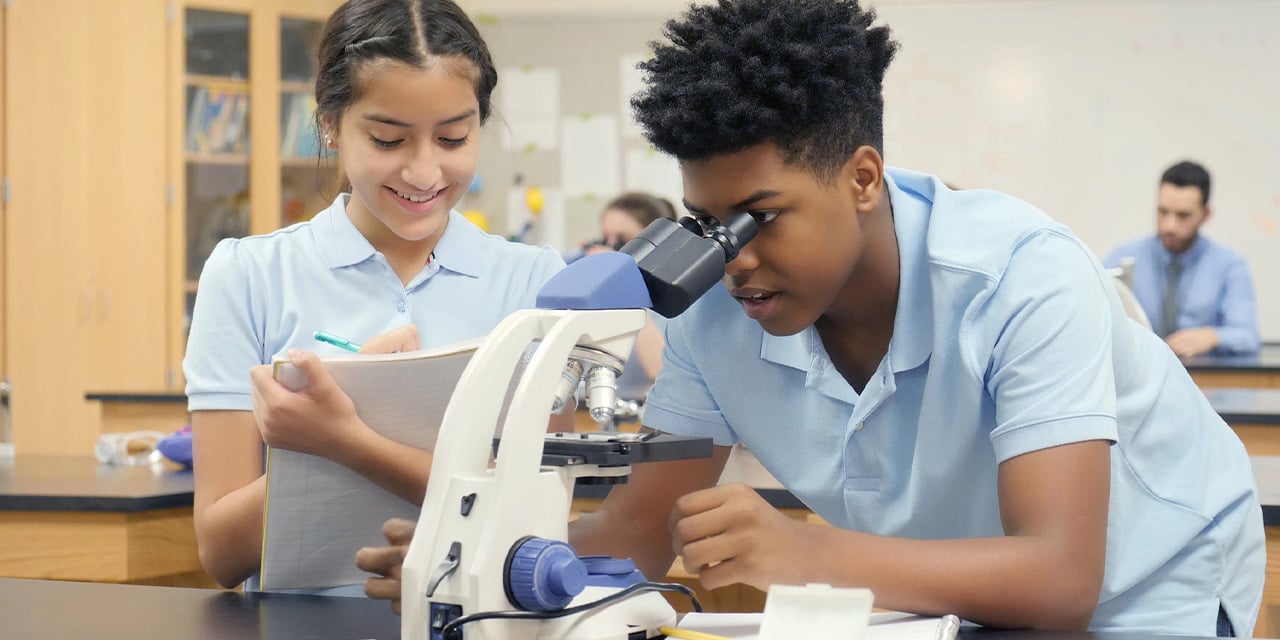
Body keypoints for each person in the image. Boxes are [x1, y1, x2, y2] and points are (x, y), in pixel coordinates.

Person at [358, 0, 1264, 635]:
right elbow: (639, 531)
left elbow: (1061, 580)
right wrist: (474, 561)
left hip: (1151, 574)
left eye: (760, 216)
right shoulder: (715, 312)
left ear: (861, 178)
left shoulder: (1022, 278)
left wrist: (804, 552)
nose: (733, 257)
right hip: (965, 583)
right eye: (709, 224)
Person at [183, 0, 568, 594]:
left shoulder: (536, 282)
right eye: (389, 139)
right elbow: (221, 551)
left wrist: (342, 439)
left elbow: (537, 523)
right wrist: (319, 443)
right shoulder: (249, 274)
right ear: (331, 124)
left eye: (453, 137)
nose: (423, 171)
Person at [1104, 161, 1260, 358]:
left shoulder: (1230, 265)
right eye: (1163, 212)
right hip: (1139, 377)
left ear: (1206, 214)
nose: (1170, 225)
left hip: (1204, 382)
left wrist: (1212, 336)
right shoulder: (1123, 257)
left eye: (1183, 215)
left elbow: (1247, 336)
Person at [572, 192, 679, 403]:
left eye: (622, 242)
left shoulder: (674, 304)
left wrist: (626, 289)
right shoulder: (602, 299)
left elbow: (665, 375)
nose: (611, 250)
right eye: (605, 239)